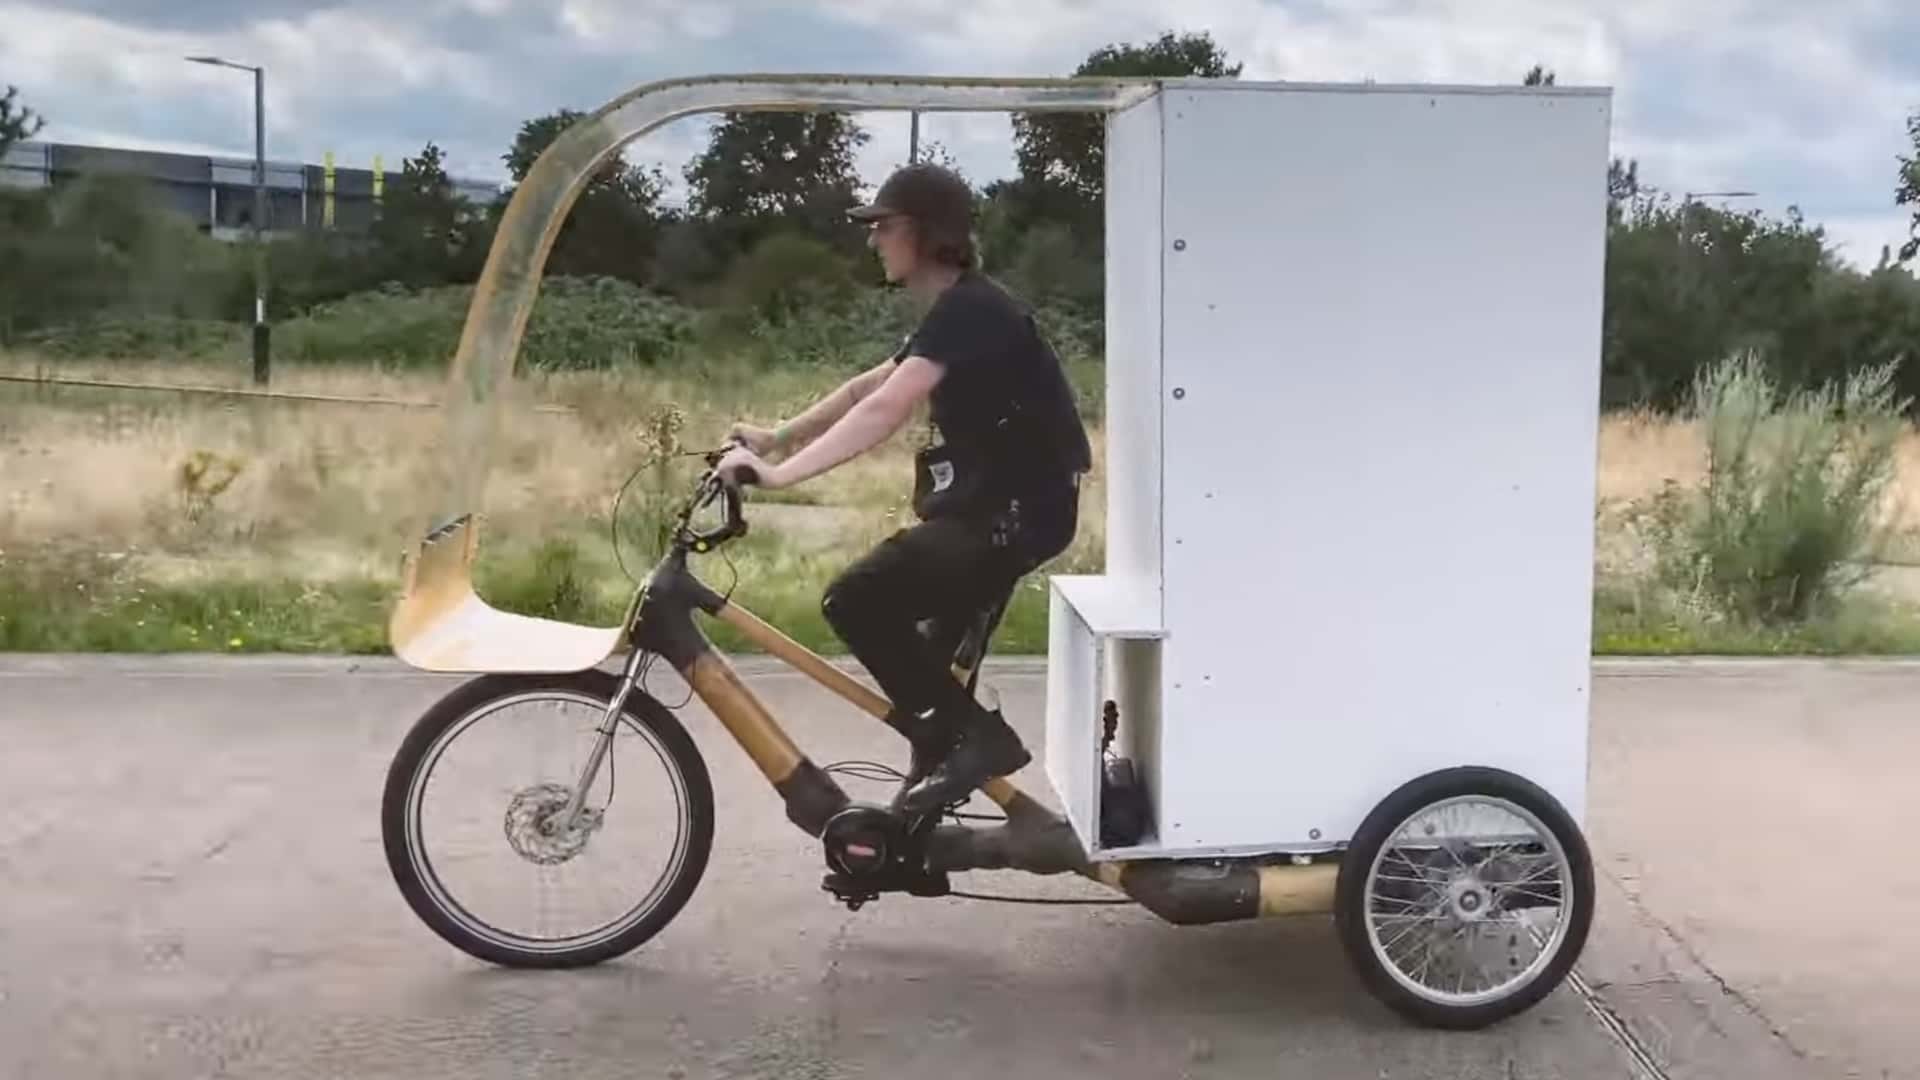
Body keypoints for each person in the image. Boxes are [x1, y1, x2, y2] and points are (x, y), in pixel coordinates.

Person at [714, 163, 1092, 815]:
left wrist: (776, 477)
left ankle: (980, 742)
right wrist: (776, 438)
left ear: (925, 233)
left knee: (856, 599)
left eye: (883, 226)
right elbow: (867, 387)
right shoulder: (958, 309)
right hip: (996, 510)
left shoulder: (974, 309)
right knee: (929, 689)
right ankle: (923, 818)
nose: (873, 239)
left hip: (1016, 516)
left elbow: (885, 409)